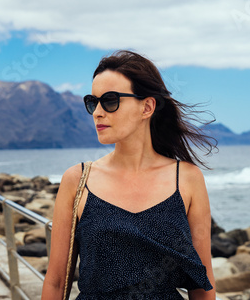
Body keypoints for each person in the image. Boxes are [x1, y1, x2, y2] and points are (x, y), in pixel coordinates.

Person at [42, 50, 217, 300]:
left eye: (110, 101)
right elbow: (57, 281)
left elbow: (202, 281)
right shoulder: (78, 179)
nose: (97, 112)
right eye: (93, 102)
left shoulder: (187, 178)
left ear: (147, 107)